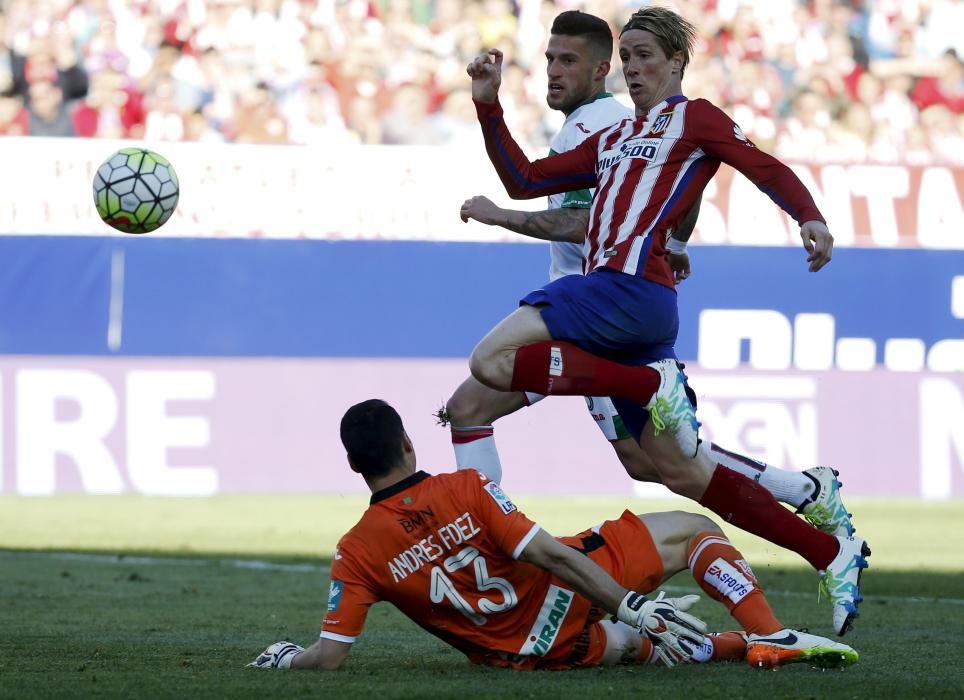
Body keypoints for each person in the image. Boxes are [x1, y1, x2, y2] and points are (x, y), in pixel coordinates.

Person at [462, 6, 867, 636]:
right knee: (679, 471)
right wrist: (489, 106)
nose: (634, 68)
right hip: (631, 310)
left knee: (486, 362)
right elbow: (525, 180)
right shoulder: (615, 140)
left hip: (620, 292)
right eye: (628, 58)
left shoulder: (694, 117)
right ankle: (828, 550)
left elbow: (763, 166)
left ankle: (650, 387)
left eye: (646, 55)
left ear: (677, 61)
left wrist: (808, 216)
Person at [248, 400, 858, 672]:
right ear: (409, 443)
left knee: (635, 647)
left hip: (525, 656)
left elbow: (328, 658)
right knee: (696, 531)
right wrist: (631, 601)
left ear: (355, 467)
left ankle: (729, 649)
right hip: (566, 597)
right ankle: (768, 634)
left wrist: (286, 662)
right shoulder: (464, 488)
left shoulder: (355, 553)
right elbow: (546, 555)